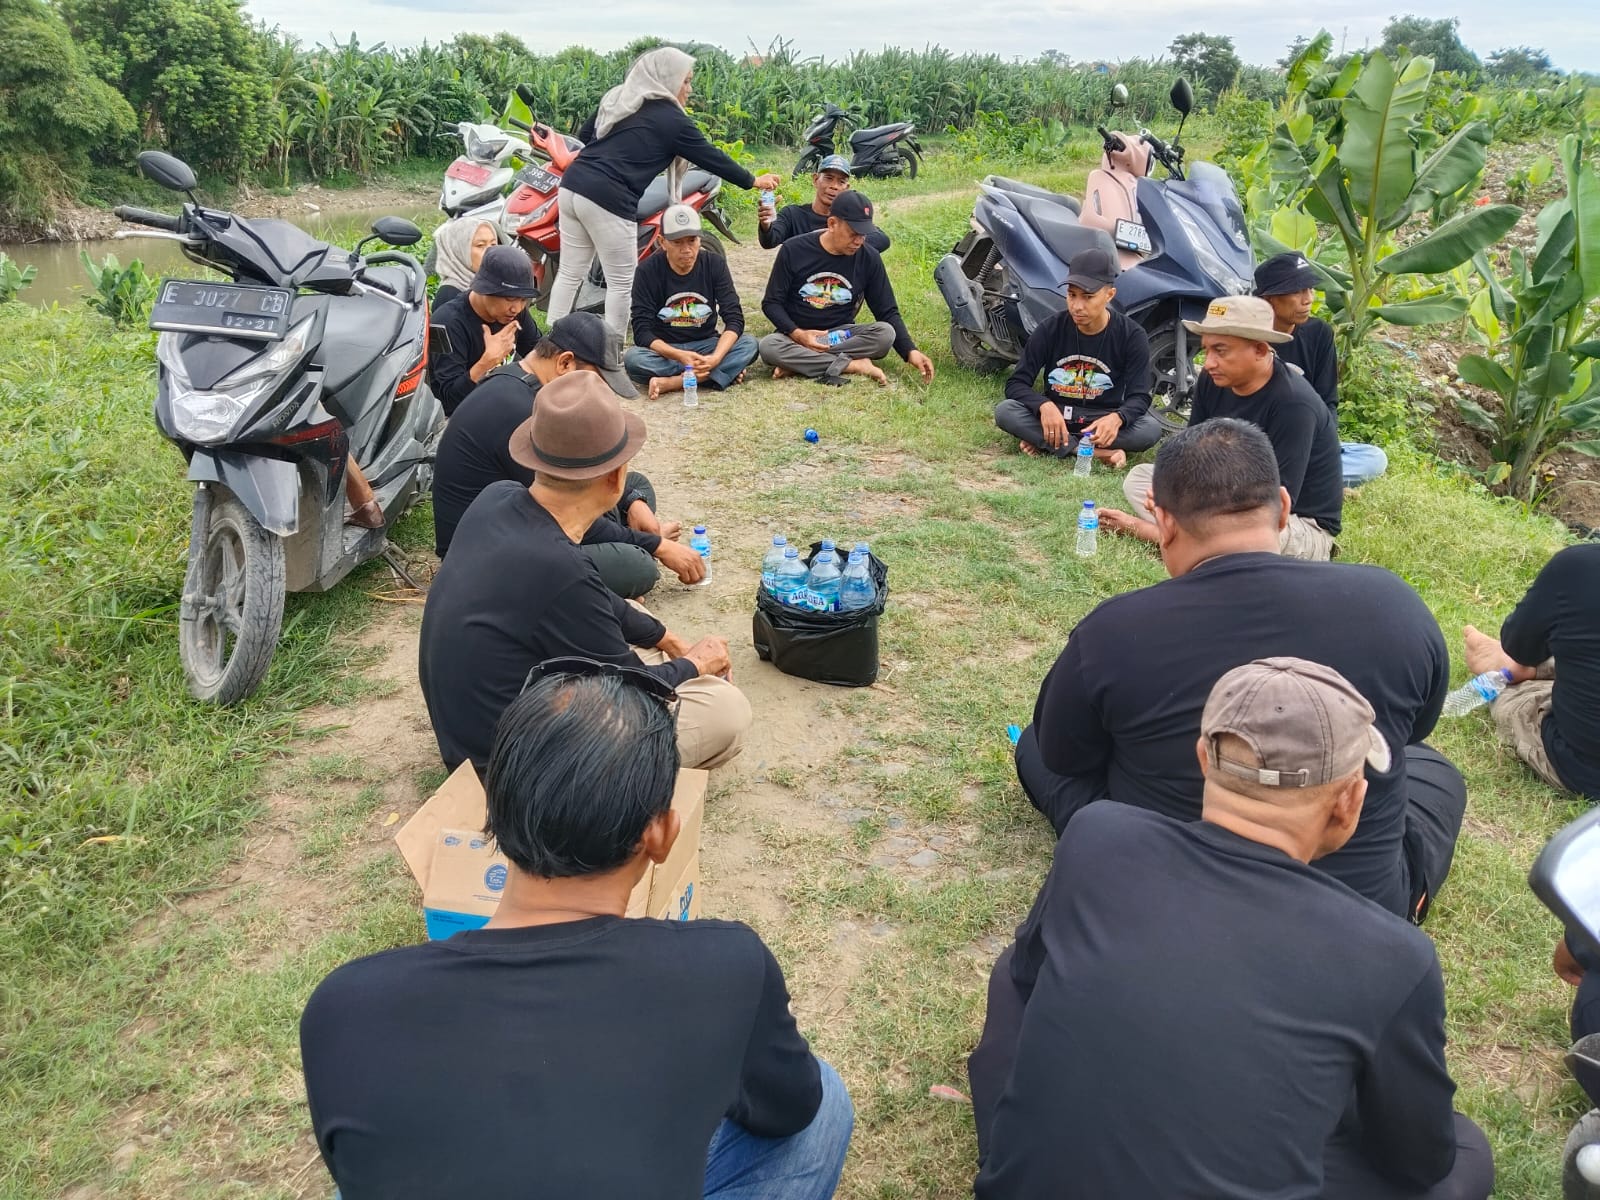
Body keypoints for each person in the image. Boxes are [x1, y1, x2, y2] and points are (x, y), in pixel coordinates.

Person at [302, 666, 853, 1200]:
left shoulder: (344, 1006)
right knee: (827, 1100)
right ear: (661, 834)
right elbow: (792, 1109)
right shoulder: (728, 969)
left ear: (492, 811)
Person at [969, 658, 1495, 1200]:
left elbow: (1028, 977)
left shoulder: (1099, 835)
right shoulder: (1393, 954)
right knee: (1465, 1154)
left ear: (1204, 759)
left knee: (1015, 972)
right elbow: (1418, 1160)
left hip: (1027, 1182)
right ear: (1350, 800)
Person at [1016, 419, 1466, 923]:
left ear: (1162, 521)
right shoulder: (1392, 602)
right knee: (1433, 769)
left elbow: (1064, 754)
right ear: (1284, 509)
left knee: (1035, 743)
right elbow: (1414, 731)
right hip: (1361, 909)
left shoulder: (1114, 630)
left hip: (1169, 884)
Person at [418, 371, 751, 777]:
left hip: (475, 734)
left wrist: (663, 636)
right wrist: (696, 664)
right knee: (725, 712)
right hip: (516, 771)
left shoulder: (498, 496)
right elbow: (635, 688)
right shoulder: (560, 570)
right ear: (615, 478)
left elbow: (597, 597)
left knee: (630, 611)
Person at [431, 312, 703, 598]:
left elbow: (578, 484)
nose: (600, 394)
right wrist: (655, 545)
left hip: (526, 518)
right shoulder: (518, 410)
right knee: (637, 566)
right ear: (565, 362)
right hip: (484, 558)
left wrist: (634, 503)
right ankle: (626, 542)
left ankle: (626, 530)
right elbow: (563, 508)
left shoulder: (523, 383)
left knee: (634, 485)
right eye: (597, 382)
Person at [548, 46, 782, 345]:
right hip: (609, 197)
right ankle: (613, 356)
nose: (689, 88)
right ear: (667, 79)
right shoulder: (671, 119)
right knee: (622, 283)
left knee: (569, 273)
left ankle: (551, 347)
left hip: (571, 187)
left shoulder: (619, 98)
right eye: (685, 81)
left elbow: (583, 139)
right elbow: (710, 156)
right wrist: (752, 181)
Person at [1105, 295, 1343, 561]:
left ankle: (1157, 533)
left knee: (1247, 535)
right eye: (1207, 350)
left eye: (1221, 350)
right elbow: (1191, 453)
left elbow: (1276, 505)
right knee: (1141, 478)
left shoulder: (1295, 404)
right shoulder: (1211, 379)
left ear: (1260, 350)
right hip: (1223, 494)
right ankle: (1194, 535)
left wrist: (1190, 506)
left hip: (1293, 524)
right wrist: (1172, 489)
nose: (1208, 363)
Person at [993, 248, 1161, 465]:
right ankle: (1095, 452)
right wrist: (1043, 406)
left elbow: (1140, 396)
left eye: (1088, 297)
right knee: (1006, 411)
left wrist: (1117, 418)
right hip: (1058, 415)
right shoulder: (1050, 328)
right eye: (1072, 295)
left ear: (1109, 295)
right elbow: (1016, 384)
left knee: (1149, 429)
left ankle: (1051, 443)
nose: (1077, 306)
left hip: (1100, 420)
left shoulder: (1131, 335)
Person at [1461, 543, 1600, 801]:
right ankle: (1541, 667)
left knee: (1517, 695)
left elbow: (1518, 646)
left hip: (1581, 767)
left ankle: (1521, 671)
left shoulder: (1578, 567)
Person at [758, 191, 935, 387]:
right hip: (796, 334)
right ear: (832, 224)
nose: (859, 241)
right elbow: (771, 303)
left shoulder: (869, 257)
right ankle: (853, 365)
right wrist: (798, 334)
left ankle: (801, 362)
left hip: (839, 336)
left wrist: (910, 351)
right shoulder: (794, 249)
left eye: (864, 234)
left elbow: (887, 311)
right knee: (768, 347)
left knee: (885, 334)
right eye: (853, 233)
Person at [1255, 251, 1389, 487]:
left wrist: (1319, 445)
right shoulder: (1248, 338)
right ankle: (1296, 478)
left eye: (1310, 289)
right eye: (1297, 291)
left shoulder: (1319, 333)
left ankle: (1291, 477)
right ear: (1269, 299)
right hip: (1257, 442)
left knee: (1374, 458)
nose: (1308, 299)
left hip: (1305, 440)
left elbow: (1327, 401)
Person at [624, 204, 759, 400]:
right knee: (633, 359)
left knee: (750, 344)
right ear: (662, 242)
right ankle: (723, 373)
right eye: (678, 242)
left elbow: (734, 319)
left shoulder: (714, 264)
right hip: (667, 350)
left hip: (706, 345)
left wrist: (716, 358)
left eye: (692, 240)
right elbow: (642, 332)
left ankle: (674, 382)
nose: (686, 250)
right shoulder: (647, 271)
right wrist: (679, 355)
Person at [429, 245, 542, 415]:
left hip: (502, 398)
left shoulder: (516, 313)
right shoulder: (446, 323)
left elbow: (539, 353)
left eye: (523, 299)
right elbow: (448, 399)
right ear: (484, 289)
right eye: (510, 298)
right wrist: (488, 361)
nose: (517, 308)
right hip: (460, 416)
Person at [757, 154, 891, 253]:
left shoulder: (849, 221)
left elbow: (882, 240)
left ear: (847, 188)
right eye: (829, 178)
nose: (834, 186)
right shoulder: (793, 215)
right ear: (815, 179)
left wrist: (839, 237)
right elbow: (769, 241)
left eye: (841, 182)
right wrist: (766, 224)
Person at [427, 215, 502, 309]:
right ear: (458, 250)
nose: (490, 251)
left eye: (493, 244)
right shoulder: (449, 295)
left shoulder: (493, 284)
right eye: (480, 245)